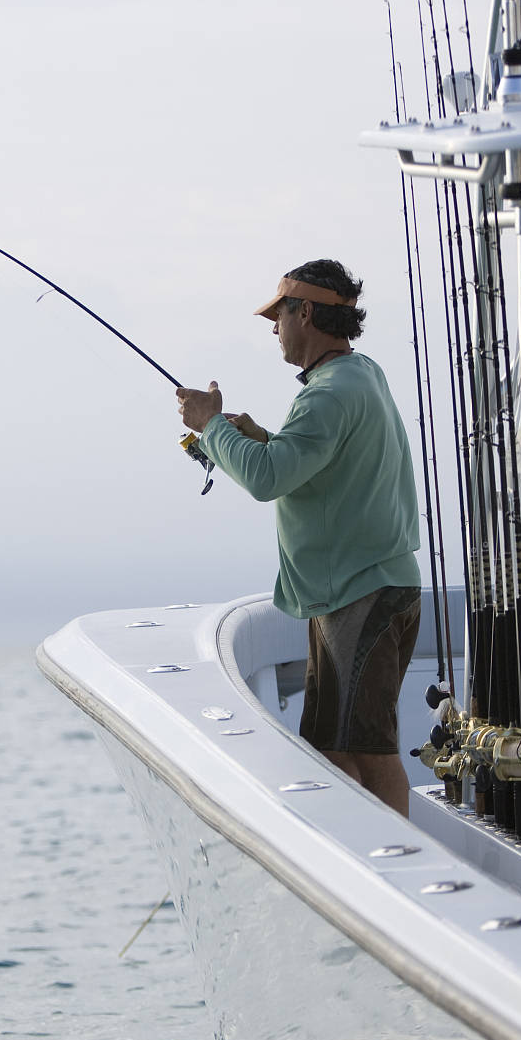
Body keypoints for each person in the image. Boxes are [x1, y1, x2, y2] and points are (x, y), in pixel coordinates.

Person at [176, 259, 422, 817]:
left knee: (365, 751)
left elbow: (268, 479)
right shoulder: (363, 374)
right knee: (334, 748)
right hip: (372, 590)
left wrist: (211, 426)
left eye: (278, 314)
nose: (273, 327)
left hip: (359, 597)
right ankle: (363, 863)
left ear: (305, 312)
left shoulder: (326, 395)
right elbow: (310, 462)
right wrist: (261, 436)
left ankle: (383, 877)